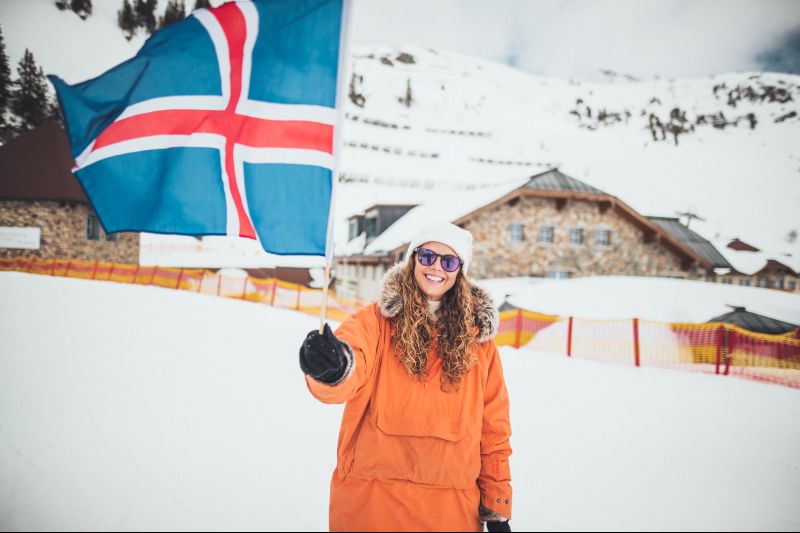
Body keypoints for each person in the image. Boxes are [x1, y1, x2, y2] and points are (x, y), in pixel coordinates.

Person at [299, 222, 513, 532]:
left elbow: (494, 430)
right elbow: (352, 362)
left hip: (449, 512)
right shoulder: (375, 322)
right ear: (413, 259)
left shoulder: (480, 344)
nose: (436, 267)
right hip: (372, 504)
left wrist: (497, 505)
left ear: (460, 270)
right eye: (427, 256)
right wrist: (334, 368)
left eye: (448, 261)